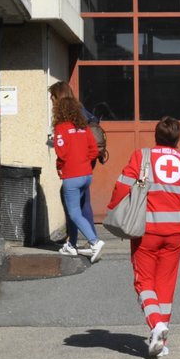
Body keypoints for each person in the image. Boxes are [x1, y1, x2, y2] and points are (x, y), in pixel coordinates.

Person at [108, 116, 180, 359]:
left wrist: (117, 211)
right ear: (178, 138)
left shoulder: (142, 156)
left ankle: (156, 325)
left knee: (144, 282)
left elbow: (122, 186)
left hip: (147, 231)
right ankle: (161, 339)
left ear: (156, 136)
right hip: (176, 233)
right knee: (165, 285)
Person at [52, 94, 104, 262]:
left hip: (71, 176)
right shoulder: (84, 127)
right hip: (86, 175)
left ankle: (94, 242)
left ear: (59, 111)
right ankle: (72, 245)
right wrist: (83, 161)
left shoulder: (61, 127)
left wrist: (61, 164)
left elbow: (61, 153)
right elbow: (94, 150)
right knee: (75, 209)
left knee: (73, 212)